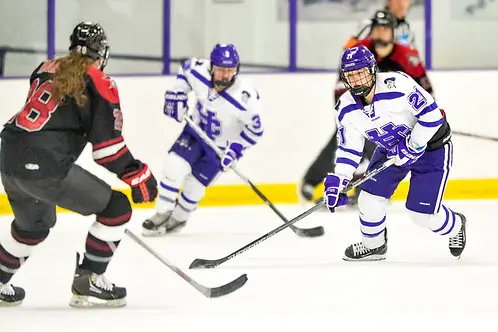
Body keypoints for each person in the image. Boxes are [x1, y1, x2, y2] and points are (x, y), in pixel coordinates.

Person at [0, 22, 158, 307]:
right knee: (116, 209)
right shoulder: (98, 80)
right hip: (45, 166)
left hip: (9, 157)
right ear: (102, 53)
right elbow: (107, 149)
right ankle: (90, 280)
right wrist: (137, 174)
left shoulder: (45, 68)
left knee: (32, 227)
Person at [323, 45, 466, 261]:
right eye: (351, 76)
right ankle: (374, 245)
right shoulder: (345, 107)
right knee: (369, 199)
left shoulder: (397, 85)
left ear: (372, 70)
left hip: (432, 147)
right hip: (392, 150)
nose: (357, 81)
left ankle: (456, 226)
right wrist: (339, 179)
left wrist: (414, 145)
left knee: (423, 215)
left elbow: (432, 116)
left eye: (360, 73)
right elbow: (349, 148)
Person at [298, 9, 431, 206]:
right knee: (346, 141)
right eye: (377, 29)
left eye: (386, 29)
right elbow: (341, 85)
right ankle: (313, 180)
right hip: (360, 108)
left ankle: (362, 189)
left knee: (377, 147)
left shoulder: (407, 56)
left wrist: (424, 118)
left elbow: (425, 90)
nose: (380, 33)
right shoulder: (359, 51)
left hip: (396, 116)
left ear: (394, 32)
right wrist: (353, 112)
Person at [142, 44, 264, 236]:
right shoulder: (198, 70)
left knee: (194, 188)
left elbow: (256, 131)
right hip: (196, 132)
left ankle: (178, 219)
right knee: (173, 167)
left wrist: (235, 149)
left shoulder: (245, 99)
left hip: (221, 148)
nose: (225, 75)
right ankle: (162, 212)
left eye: (230, 71)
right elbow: (185, 71)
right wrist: (179, 93)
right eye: (220, 70)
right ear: (211, 67)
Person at [344, 0, 416, 49]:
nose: (402, 5)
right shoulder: (369, 25)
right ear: (388, 2)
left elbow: (413, 60)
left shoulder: (406, 29)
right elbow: (348, 51)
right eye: (398, 0)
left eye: (406, 0)